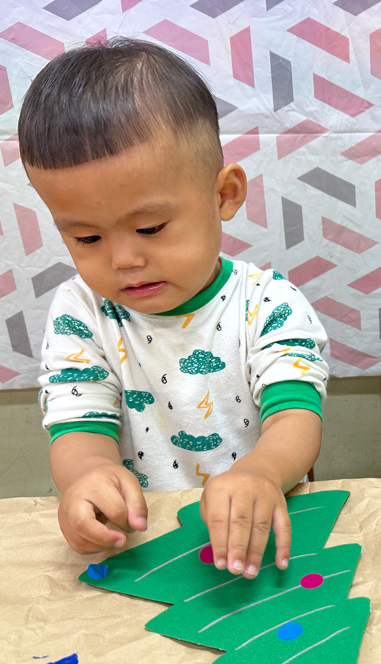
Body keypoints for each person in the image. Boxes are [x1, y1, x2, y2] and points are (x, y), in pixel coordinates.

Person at [20, 38, 328, 578]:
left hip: (256, 535)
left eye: (150, 228)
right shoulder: (81, 309)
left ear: (224, 195)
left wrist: (262, 472)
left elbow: (296, 415)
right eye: (87, 238)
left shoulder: (268, 302)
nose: (124, 260)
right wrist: (86, 476)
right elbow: (77, 425)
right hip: (143, 542)